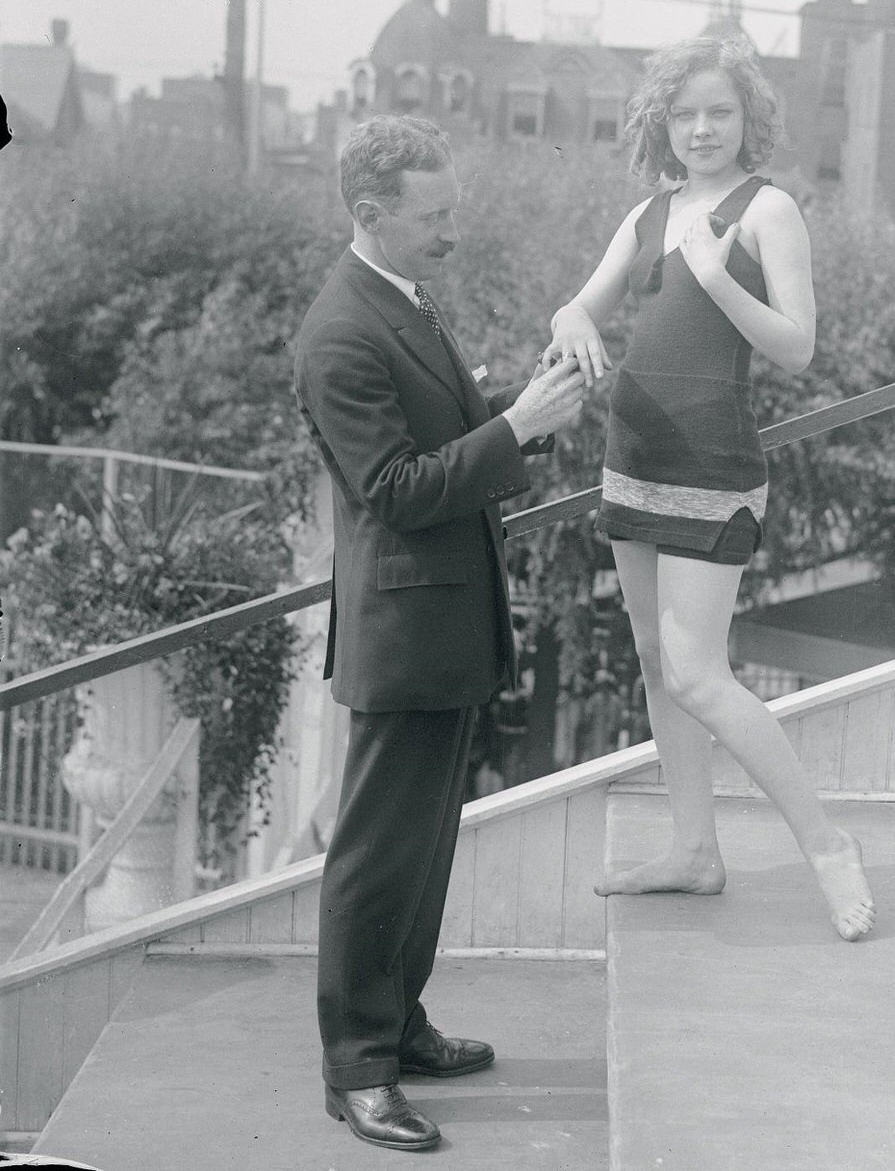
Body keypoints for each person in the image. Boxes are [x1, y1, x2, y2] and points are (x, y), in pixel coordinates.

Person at [294, 115, 585, 1152]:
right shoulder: (340, 332)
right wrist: (518, 429)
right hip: (404, 638)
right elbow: (394, 491)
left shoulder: (398, 304)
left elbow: (436, 450)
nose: (453, 232)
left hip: (438, 631)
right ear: (371, 216)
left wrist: (522, 412)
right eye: (436, 216)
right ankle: (357, 1069)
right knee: (376, 862)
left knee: (419, 858)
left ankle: (398, 1027)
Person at [544, 34, 875, 942]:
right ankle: (694, 851)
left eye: (719, 112)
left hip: (711, 465)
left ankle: (827, 844)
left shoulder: (769, 211)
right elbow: (585, 302)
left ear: (748, 119)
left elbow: (798, 347)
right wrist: (575, 321)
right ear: (661, 121)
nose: (701, 129)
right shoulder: (647, 212)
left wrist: (714, 274)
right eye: (685, 113)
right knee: (657, 662)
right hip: (633, 455)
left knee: (697, 670)